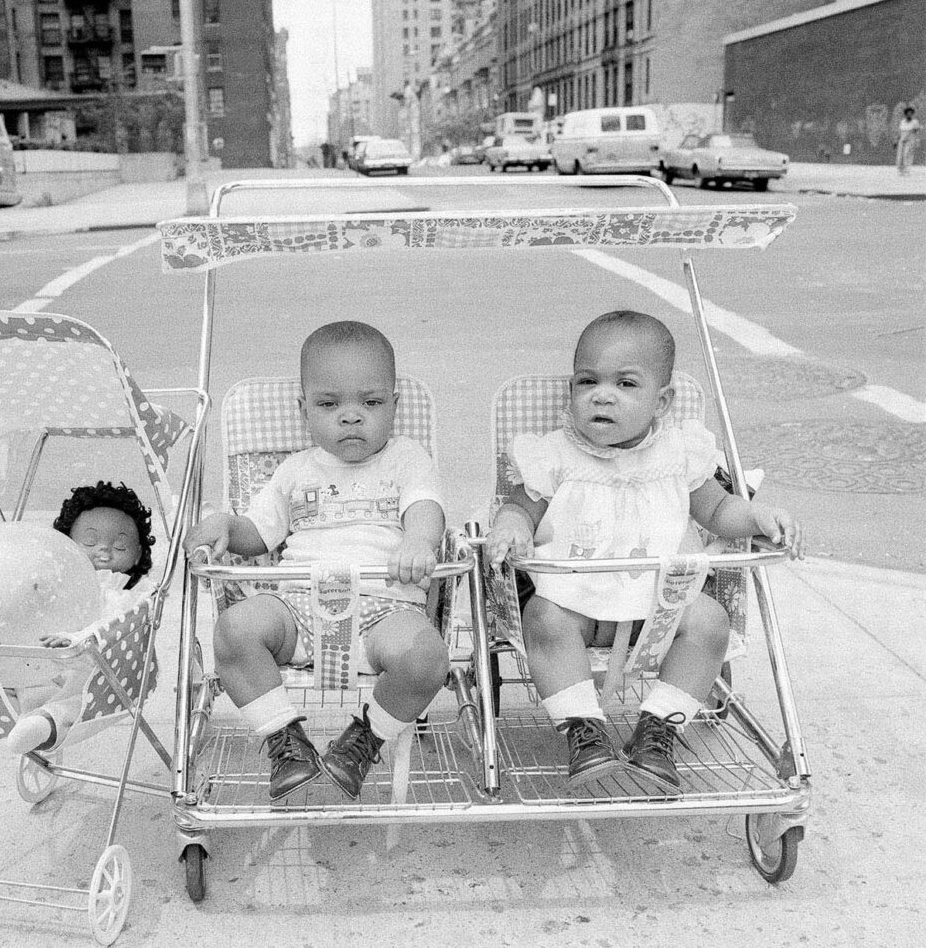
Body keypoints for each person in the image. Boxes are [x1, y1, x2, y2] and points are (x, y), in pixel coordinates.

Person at [486, 311, 804, 791]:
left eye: (626, 384)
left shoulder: (680, 453)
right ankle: (583, 730)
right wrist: (511, 529)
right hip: (578, 606)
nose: (602, 394)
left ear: (662, 401)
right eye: (587, 381)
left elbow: (717, 511)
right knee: (542, 618)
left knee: (709, 620)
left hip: (662, 611)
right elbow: (521, 509)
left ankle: (657, 729)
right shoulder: (554, 455)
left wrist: (756, 517)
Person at [184, 320, 450, 801]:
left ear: (394, 405)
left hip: (383, 609)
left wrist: (419, 541)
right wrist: (224, 524)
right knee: (234, 630)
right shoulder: (293, 470)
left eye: (370, 403)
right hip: (298, 608)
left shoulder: (406, 458)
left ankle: (364, 741)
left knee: (428, 657)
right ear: (303, 411)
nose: (351, 417)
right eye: (330, 405)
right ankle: (285, 741)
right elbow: (259, 535)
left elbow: (426, 508)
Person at [0, 481, 156, 753]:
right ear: (65, 544)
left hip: (94, 671)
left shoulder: (128, 595)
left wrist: (76, 640)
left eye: (120, 546)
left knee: (76, 700)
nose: (104, 550)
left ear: (137, 554)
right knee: (11, 683)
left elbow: (117, 624)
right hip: (35, 665)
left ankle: (45, 725)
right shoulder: (54, 578)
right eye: (90, 541)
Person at [896, 106, 920, 175]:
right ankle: (900, 170)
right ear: (905, 114)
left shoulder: (915, 122)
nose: (909, 114)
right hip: (902, 140)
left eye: (911, 113)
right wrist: (896, 140)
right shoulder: (902, 122)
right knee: (900, 156)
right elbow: (900, 131)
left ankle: (907, 170)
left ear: (912, 114)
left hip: (910, 141)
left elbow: (916, 131)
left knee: (906, 154)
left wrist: (917, 141)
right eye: (908, 113)